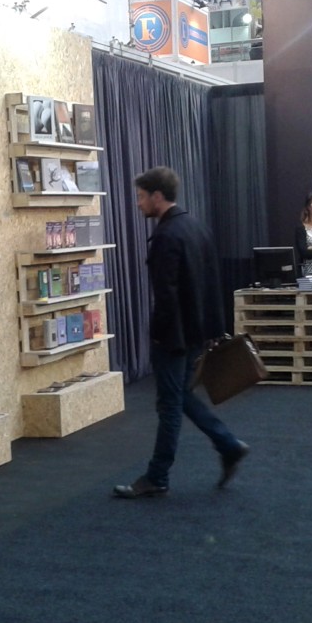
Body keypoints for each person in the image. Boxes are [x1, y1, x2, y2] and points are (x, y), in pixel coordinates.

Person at [114, 166, 249, 498]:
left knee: (169, 406)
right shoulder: (196, 227)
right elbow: (212, 282)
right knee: (180, 396)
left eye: (141, 197)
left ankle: (157, 476)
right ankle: (228, 444)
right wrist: (213, 330)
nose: (138, 203)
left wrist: (161, 336)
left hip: (174, 338)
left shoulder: (166, 236)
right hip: (195, 334)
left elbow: (167, 296)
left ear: (157, 196)